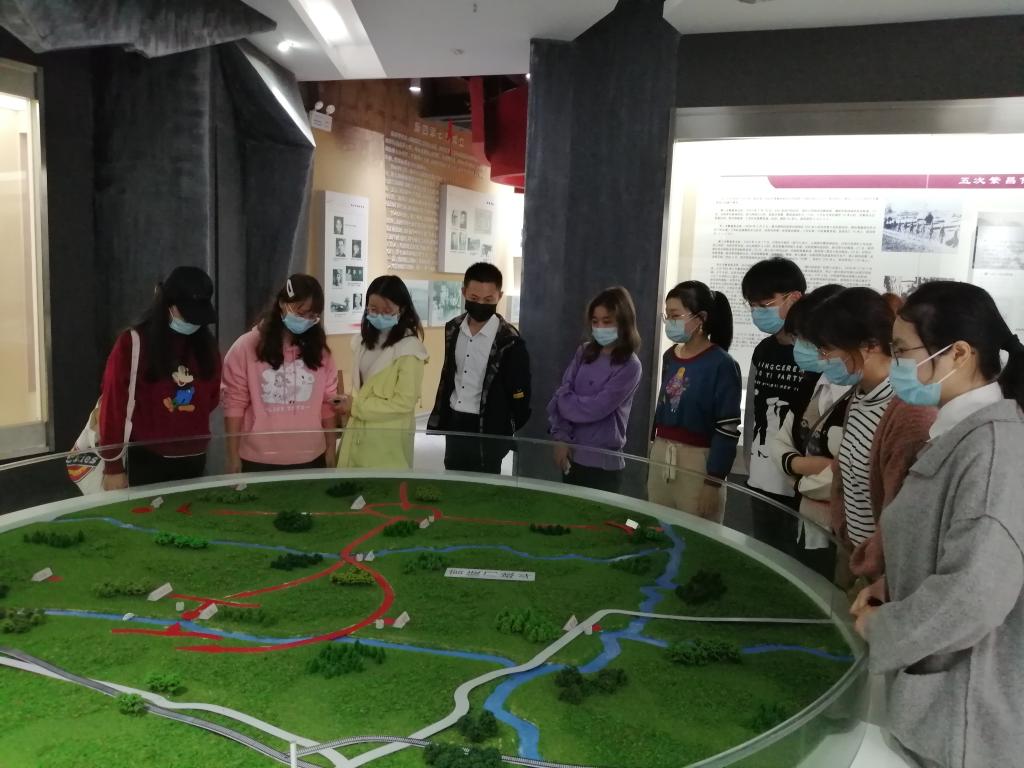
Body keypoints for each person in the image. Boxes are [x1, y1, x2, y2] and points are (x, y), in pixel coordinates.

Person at [851, 281, 1024, 768]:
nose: (895, 363)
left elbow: (975, 594)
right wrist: (891, 585)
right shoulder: (959, 433)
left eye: (902, 351)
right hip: (937, 710)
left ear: (960, 354)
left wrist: (886, 627)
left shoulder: (991, 451)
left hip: (964, 723)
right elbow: (946, 544)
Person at [806, 288, 935, 582]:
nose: (822, 359)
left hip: (885, 570)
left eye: (827, 350)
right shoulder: (861, 394)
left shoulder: (908, 409)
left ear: (871, 345)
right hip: (856, 554)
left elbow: (903, 509)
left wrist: (878, 571)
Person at [99, 266, 221, 489]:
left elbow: (212, 398)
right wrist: (113, 466)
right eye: (188, 314)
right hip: (147, 458)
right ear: (168, 305)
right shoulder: (133, 343)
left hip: (194, 457)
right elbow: (114, 405)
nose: (194, 323)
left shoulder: (207, 346)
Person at [770, 284, 852, 576]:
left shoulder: (862, 395)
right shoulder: (812, 382)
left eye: (808, 339)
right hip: (806, 516)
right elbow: (780, 442)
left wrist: (799, 478)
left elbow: (851, 475)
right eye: (798, 337)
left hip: (845, 530)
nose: (801, 346)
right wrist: (802, 465)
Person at [222, 275, 341, 473]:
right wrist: (233, 456)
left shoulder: (319, 351)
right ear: (282, 303)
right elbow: (233, 404)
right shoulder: (246, 347)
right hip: (258, 459)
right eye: (300, 313)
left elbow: (327, 402)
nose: (306, 321)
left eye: (312, 316)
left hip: (311, 456)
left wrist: (330, 449)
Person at [648, 281, 741, 522]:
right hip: (662, 453)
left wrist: (714, 481)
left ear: (701, 318)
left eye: (675, 315)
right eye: (667, 316)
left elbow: (727, 427)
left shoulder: (722, 364)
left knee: (695, 529)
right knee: (660, 526)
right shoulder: (670, 356)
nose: (670, 322)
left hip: (698, 461)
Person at [428, 263, 531, 474]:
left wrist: (508, 427)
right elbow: (449, 374)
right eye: (474, 298)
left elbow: (521, 394)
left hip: (489, 424)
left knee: (485, 482)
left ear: (499, 296)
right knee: (453, 476)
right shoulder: (453, 328)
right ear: (464, 292)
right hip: (456, 420)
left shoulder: (509, 340)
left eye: (488, 300)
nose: (481, 304)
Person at [547, 287, 642, 493]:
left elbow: (597, 408)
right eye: (595, 321)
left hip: (604, 466)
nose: (600, 327)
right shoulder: (584, 351)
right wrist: (561, 438)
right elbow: (561, 394)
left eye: (607, 321)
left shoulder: (630, 365)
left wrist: (568, 402)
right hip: (571, 455)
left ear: (623, 322)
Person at [741, 258, 806, 546]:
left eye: (765, 304)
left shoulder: (812, 354)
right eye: (752, 305)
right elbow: (753, 411)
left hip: (799, 480)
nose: (757, 312)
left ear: (794, 298)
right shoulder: (763, 350)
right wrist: (748, 458)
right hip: (761, 473)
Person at [336, 276, 427, 469]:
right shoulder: (361, 342)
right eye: (373, 309)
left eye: (386, 311)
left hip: (387, 440)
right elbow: (363, 389)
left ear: (401, 310)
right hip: (357, 431)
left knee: (382, 484)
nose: (379, 315)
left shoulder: (410, 349)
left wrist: (356, 406)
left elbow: (404, 402)